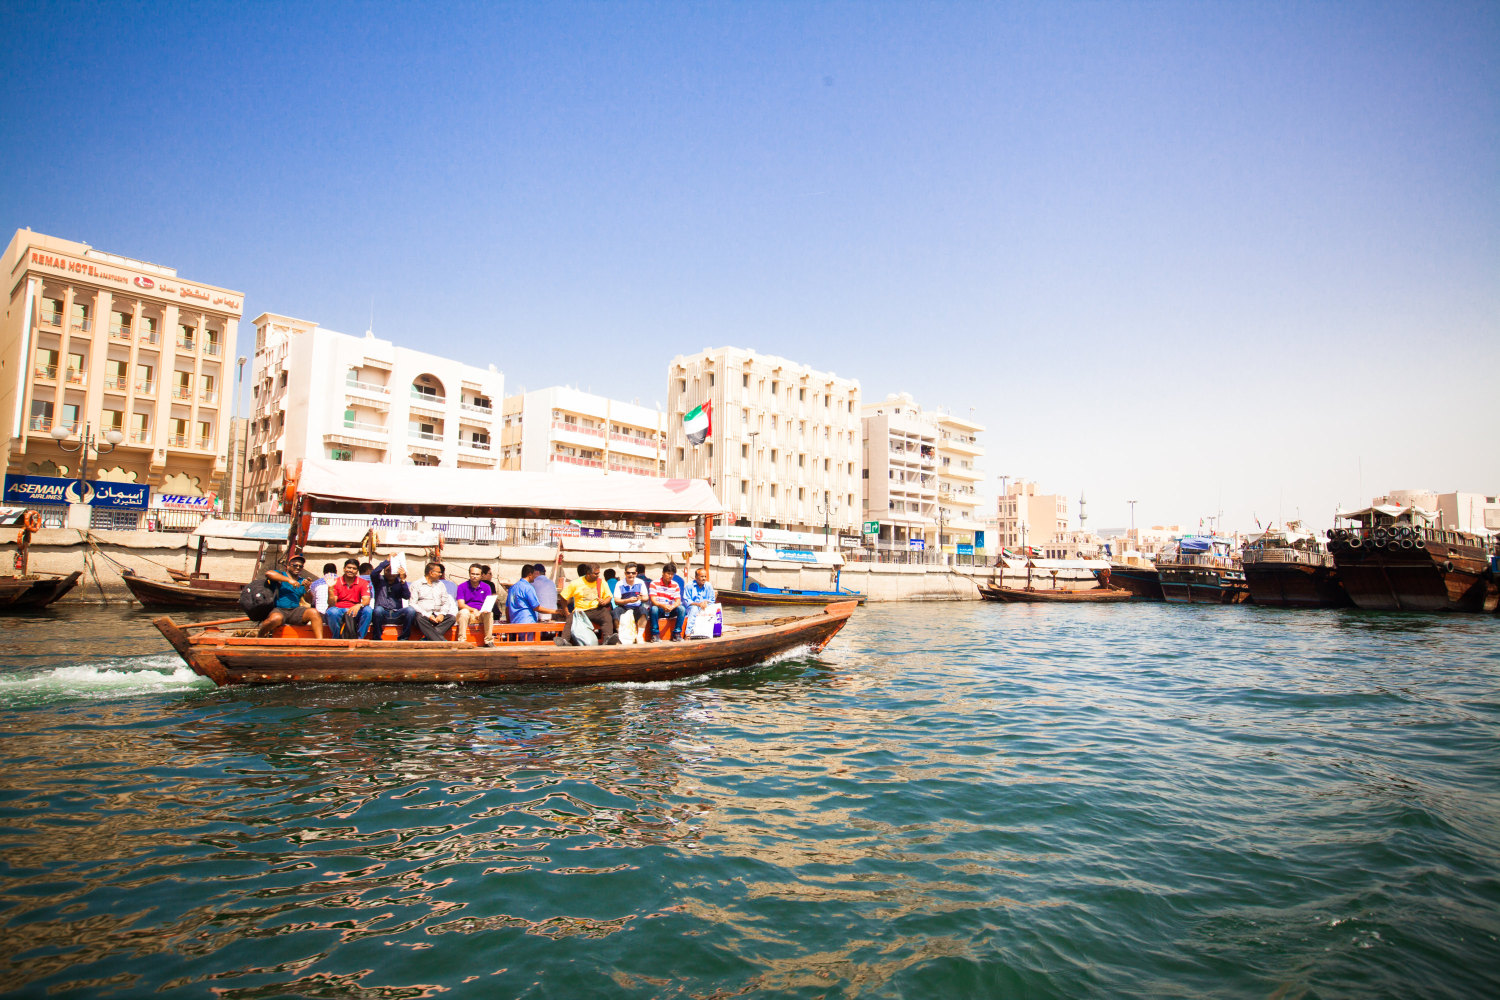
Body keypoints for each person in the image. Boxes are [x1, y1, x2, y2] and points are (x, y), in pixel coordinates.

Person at [258, 553, 325, 638]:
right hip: (280, 609)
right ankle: (260, 636)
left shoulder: (302, 581)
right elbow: (269, 573)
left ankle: (321, 642)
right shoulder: (281, 575)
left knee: (314, 612)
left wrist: (307, 589)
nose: (298, 567)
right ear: (288, 566)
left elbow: (309, 600)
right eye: (295, 565)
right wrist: (289, 580)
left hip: (295, 611)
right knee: (275, 619)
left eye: (300, 566)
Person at [557, 562, 617, 645]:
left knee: (606, 615)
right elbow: (563, 597)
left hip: (596, 610)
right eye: (596, 574)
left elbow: (609, 596)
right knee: (571, 619)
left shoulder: (601, 582)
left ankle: (608, 638)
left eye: (598, 573)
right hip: (580, 611)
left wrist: (604, 602)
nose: (598, 575)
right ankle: (564, 641)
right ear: (588, 574)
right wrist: (566, 611)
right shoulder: (576, 583)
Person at [408, 560, 458, 641]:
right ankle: (440, 640)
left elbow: (446, 602)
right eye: (438, 572)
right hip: (424, 616)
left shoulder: (441, 585)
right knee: (418, 617)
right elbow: (413, 604)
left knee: (452, 618)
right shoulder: (417, 584)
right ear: (431, 573)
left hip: (437, 615)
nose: (440, 574)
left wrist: (442, 614)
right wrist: (428, 615)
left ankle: (428, 638)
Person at [324, 558, 373, 639]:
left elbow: (366, 600)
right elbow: (332, 603)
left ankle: (360, 638)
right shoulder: (336, 581)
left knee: (368, 610)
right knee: (332, 611)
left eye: (354, 569)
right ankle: (337, 638)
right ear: (344, 569)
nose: (351, 570)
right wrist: (330, 589)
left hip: (355, 610)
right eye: (349, 568)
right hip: (339, 609)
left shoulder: (363, 582)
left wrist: (358, 605)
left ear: (357, 571)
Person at [370, 556, 416, 640]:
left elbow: (406, 596)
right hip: (383, 614)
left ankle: (404, 638)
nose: (390, 573)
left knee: (410, 610)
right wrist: (387, 561)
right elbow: (374, 573)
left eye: (393, 571)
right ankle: (377, 638)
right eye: (387, 571)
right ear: (384, 571)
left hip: (397, 614)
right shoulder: (379, 580)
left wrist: (403, 581)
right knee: (377, 610)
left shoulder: (400, 581)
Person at [455, 562, 496, 647]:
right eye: (472, 574)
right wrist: (473, 610)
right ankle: (462, 641)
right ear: (469, 574)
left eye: (477, 574)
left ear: (481, 575)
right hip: (468, 613)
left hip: (481, 613)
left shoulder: (486, 587)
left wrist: (482, 611)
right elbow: (461, 604)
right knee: (464, 612)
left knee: (489, 613)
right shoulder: (462, 586)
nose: (475, 576)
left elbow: (488, 603)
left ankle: (488, 641)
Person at [646, 563, 685, 642]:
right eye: (668, 573)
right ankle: (655, 635)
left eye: (672, 574)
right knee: (654, 609)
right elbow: (653, 601)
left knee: (682, 609)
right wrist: (663, 606)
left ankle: (677, 634)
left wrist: (672, 606)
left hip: (670, 609)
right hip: (659, 609)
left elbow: (678, 601)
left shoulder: (675, 585)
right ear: (663, 573)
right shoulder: (654, 583)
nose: (670, 576)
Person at [613, 563, 649, 638]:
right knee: (615, 612)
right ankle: (620, 635)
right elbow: (616, 600)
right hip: (624, 607)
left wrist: (640, 598)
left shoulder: (640, 582)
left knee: (643, 611)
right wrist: (628, 600)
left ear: (636, 573)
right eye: (628, 573)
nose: (631, 575)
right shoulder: (619, 584)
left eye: (633, 573)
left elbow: (646, 598)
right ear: (625, 573)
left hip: (637, 607)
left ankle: (639, 636)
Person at [683, 567, 716, 638]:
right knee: (694, 609)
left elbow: (712, 600)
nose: (704, 578)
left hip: (704, 606)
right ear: (696, 577)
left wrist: (706, 602)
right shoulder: (689, 586)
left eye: (705, 576)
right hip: (691, 607)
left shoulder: (708, 585)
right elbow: (686, 601)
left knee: (714, 607)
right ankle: (688, 633)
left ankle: (712, 632)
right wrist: (698, 604)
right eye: (702, 576)